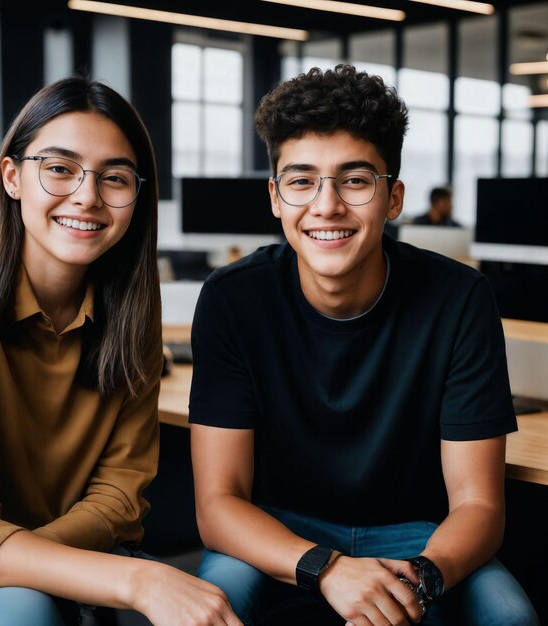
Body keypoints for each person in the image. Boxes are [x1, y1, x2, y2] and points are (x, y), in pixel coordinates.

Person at [189, 65, 539, 626]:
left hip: (420, 535)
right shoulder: (235, 298)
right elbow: (219, 505)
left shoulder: (459, 298)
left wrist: (418, 581)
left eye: (354, 180)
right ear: (275, 197)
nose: (326, 206)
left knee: (510, 616)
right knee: (208, 609)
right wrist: (327, 569)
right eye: (302, 181)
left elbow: (479, 505)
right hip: (280, 527)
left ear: (393, 197)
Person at [0, 77, 241, 626]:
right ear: (13, 177)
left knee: (216, 591)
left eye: (115, 177)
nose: (88, 196)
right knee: (30, 608)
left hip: (61, 565)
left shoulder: (133, 313)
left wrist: (50, 566)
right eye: (60, 168)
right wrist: (131, 579)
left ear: (137, 197)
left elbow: (120, 498)